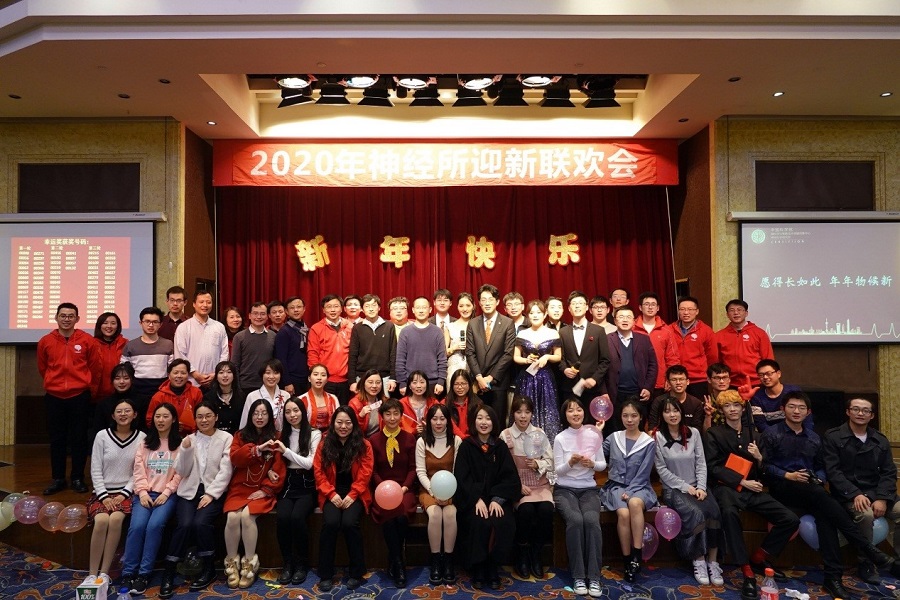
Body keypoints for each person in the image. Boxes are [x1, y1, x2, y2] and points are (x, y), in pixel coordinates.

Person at [759, 391, 893, 599]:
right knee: (823, 498)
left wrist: (820, 478)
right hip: (782, 488)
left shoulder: (814, 437)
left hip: (811, 491)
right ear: (783, 409)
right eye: (792, 407)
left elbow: (822, 467)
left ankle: (833, 578)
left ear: (808, 412)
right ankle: (867, 548)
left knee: (826, 517)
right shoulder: (771, 434)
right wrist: (788, 475)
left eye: (801, 408)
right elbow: (763, 466)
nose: (796, 411)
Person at [704, 389, 799, 600]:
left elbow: (765, 470)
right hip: (726, 489)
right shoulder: (714, 434)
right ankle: (746, 569)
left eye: (736, 405)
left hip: (753, 489)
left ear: (742, 408)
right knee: (729, 514)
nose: (732, 409)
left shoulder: (755, 435)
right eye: (727, 406)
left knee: (790, 519)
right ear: (722, 410)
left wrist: (759, 458)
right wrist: (741, 481)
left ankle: (759, 557)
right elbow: (713, 466)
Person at [159, 401, 234, 598]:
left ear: (216, 417)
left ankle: (208, 568)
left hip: (213, 491)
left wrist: (211, 494)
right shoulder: (189, 439)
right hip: (188, 491)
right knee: (184, 524)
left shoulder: (226, 438)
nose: (204, 420)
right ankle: (169, 570)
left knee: (201, 523)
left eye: (208, 416)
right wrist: (185, 451)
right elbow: (182, 471)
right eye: (200, 417)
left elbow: (226, 471)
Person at [824, 397, 900, 584]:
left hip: (877, 492)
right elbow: (833, 472)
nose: (860, 413)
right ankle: (866, 561)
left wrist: (882, 498)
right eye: (856, 409)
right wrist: (855, 494)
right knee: (865, 515)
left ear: (871, 415)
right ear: (848, 412)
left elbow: (889, 472)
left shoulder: (880, 439)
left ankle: (897, 562)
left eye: (865, 410)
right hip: (848, 494)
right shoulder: (833, 437)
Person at [652, 396, 723, 586]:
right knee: (696, 513)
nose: (672, 415)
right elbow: (662, 470)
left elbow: (701, 462)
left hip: (697, 486)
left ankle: (713, 562)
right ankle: (698, 560)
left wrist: (701, 487)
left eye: (675, 410)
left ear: (681, 412)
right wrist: (686, 487)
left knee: (714, 511)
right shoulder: (657, 437)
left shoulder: (694, 433)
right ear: (662, 415)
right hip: (674, 489)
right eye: (667, 411)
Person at [454, 405, 522, 590]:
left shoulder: (500, 446)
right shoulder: (466, 446)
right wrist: (476, 499)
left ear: (494, 422)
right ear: (473, 421)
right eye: (480, 418)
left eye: (488, 418)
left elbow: (511, 478)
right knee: (479, 521)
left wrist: (497, 499)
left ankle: (493, 566)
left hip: (496, 499)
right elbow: (461, 477)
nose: (484, 422)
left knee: (503, 521)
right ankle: (478, 566)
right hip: (473, 500)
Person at [38, 302, 101, 495]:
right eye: (63, 316)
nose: (66, 319)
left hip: (79, 396)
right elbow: (43, 368)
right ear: (56, 318)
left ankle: (77, 478)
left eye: (70, 316)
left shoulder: (87, 340)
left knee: (79, 439)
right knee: (57, 439)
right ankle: (58, 478)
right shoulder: (46, 341)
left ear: (77, 319)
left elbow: (95, 368)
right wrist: (54, 383)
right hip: (54, 397)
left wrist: (88, 390)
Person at [223, 398, 285, 589]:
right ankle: (232, 562)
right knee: (232, 517)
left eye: (264, 413)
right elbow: (235, 458)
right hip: (240, 487)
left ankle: (250, 563)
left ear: (270, 416)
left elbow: (279, 468)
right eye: (256, 413)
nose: (259, 417)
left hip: (262, 489)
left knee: (247, 516)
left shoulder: (276, 437)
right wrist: (257, 450)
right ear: (250, 415)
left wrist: (265, 489)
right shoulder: (240, 435)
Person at [121, 402, 182, 595]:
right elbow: (138, 471)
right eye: (157, 416)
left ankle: (144, 574)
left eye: (165, 416)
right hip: (145, 493)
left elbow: (180, 474)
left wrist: (166, 493)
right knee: (137, 527)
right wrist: (143, 492)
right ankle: (128, 572)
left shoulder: (180, 444)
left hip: (167, 495)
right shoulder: (145, 443)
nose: (161, 420)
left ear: (173, 419)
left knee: (154, 526)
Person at [313, 406, 375, 592]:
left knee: (349, 523)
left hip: (356, 492)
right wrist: (331, 494)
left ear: (354, 424)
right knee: (331, 523)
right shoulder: (324, 444)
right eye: (339, 422)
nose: (343, 426)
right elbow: (318, 472)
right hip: (331, 492)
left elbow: (365, 473)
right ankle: (325, 574)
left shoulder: (364, 445)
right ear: (333, 424)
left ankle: (357, 572)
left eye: (348, 423)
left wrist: (352, 494)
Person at [84, 399, 145, 588]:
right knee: (101, 521)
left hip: (126, 493)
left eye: (127, 411)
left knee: (116, 519)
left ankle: (104, 572)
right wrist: (103, 496)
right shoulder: (102, 436)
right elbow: (95, 468)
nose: (123, 414)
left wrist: (123, 494)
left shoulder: (142, 437)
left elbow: (139, 471)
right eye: (119, 411)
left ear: (135, 414)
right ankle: (91, 574)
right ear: (113, 415)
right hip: (102, 492)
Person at [553, 398, 607, 598]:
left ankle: (594, 576)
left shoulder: (594, 434)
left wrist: (592, 464)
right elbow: (557, 471)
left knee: (592, 521)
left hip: (588, 489)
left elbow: (602, 464)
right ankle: (578, 576)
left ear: (584, 412)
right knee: (575, 520)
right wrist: (571, 462)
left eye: (578, 409)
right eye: (570, 410)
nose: (575, 413)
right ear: (565, 414)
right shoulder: (560, 438)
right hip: (564, 489)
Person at [601, 398, 658, 583]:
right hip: (616, 486)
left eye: (634, 415)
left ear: (641, 417)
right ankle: (627, 561)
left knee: (634, 503)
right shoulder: (614, 438)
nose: (629, 419)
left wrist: (632, 490)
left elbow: (644, 472)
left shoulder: (648, 442)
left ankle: (636, 555)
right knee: (623, 514)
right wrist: (597, 433)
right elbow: (598, 454)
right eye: (625, 415)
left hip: (640, 486)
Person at [501, 396, 555, 580]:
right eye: (519, 412)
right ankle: (522, 553)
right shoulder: (506, 435)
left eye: (527, 412)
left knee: (547, 510)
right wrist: (517, 486)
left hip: (540, 484)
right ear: (513, 414)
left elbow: (551, 462)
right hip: (519, 487)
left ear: (532, 414)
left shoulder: (539, 433)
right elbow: (502, 468)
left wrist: (538, 464)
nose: (523, 416)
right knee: (526, 510)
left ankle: (536, 553)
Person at [273, 396, 322, 585]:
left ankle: (302, 563)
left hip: (307, 483)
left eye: (296, 410)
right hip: (287, 482)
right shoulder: (282, 434)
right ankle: (288, 563)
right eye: (288, 412)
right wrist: (270, 471)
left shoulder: (314, 433)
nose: (292, 415)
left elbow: (310, 464)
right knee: (283, 518)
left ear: (303, 412)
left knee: (297, 517)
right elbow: (274, 460)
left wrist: (286, 451)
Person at [369, 399, 418, 587]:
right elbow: (373, 471)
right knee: (389, 516)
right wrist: (383, 488)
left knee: (401, 516)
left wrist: (403, 488)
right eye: (388, 414)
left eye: (396, 413)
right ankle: (399, 562)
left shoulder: (409, 438)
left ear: (401, 416)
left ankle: (394, 559)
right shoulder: (374, 440)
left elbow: (412, 469)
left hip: (404, 488)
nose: (392, 418)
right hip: (382, 490)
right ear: (382, 416)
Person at [416, 403, 462, 584]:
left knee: (450, 514)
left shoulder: (456, 441)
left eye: (442, 418)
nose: (438, 422)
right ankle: (435, 559)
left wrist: (448, 492)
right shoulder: (422, 441)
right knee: (435, 514)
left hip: (452, 488)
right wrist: (434, 491)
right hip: (429, 489)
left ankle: (448, 560)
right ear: (429, 421)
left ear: (448, 421)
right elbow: (421, 472)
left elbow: (457, 471)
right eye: (434, 418)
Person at [465, 284, 516, 424]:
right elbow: (470, 352)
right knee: (477, 422)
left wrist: (491, 378)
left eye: (490, 299)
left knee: (497, 422)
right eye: (483, 300)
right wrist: (479, 377)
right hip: (477, 383)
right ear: (479, 303)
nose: (487, 303)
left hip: (498, 382)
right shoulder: (472, 324)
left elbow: (508, 354)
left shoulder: (507, 323)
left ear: (497, 301)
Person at [512, 299, 562, 441]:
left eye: (538, 312)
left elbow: (558, 356)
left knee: (548, 409)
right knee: (525, 407)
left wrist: (547, 356)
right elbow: (516, 357)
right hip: (527, 377)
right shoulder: (522, 333)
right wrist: (526, 360)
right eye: (532, 313)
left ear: (545, 314)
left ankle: (549, 444)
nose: (535, 315)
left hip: (546, 378)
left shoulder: (553, 333)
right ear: (528, 315)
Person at [602, 306, 658, 431]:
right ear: (615, 321)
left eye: (628, 317)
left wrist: (648, 387)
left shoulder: (644, 339)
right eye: (621, 317)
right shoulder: (606, 339)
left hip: (638, 392)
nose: (625, 320)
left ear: (634, 321)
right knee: (616, 428)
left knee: (638, 427)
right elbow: (600, 367)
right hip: (614, 394)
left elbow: (653, 365)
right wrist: (604, 392)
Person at [121, 306, 173, 429]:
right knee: (138, 425)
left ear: (160, 324)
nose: (151, 325)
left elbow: (172, 370)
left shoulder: (168, 344)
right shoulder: (131, 345)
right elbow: (124, 370)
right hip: (137, 391)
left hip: (161, 390)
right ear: (141, 323)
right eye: (147, 321)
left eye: (155, 322)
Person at [558, 291, 611, 412]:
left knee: (591, 420)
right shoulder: (563, 332)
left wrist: (595, 379)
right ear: (569, 308)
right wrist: (564, 369)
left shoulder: (598, 331)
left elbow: (605, 360)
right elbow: (560, 358)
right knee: (571, 418)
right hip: (570, 387)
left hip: (592, 387)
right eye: (574, 303)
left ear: (587, 307)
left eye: (580, 303)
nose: (577, 306)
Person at [174, 290, 229, 388]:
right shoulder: (184, 327)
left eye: (208, 302)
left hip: (215, 381)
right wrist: (195, 374)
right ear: (194, 304)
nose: (205, 305)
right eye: (201, 302)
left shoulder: (219, 327)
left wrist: (216, 373)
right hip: (191, 382)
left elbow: (224, 353)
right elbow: (180, 354)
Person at [714, 299, 774, 388]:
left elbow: (768, 359)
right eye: (732, 310)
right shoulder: (719, 336)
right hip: (730, 383)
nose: (736, 313)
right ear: (727, 314)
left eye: (739, 310)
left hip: (756, 382)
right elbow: (716, 362)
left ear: (746, 313)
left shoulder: (759, 333)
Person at [396, 296, 447, 397]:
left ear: (430, 309)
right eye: (418, 307)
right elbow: (400, 359)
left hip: (433, 382)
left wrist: (441, 381)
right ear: (413, 310)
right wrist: (402, 382)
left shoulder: (437, 332)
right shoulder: (405, 332)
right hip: (411, 382)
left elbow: (442, 359)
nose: (421, 310)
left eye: (424, 307)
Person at [307, 294, 354, 405]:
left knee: (344, 411)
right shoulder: (316, 328)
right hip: (325, 380)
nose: (333, 310)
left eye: (336, 306)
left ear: (342, 308)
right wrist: (318, 377)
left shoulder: (350, 327)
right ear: (323, 310)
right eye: (329, 307)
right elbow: (312, 354)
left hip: (346, 381)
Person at [348, 294, 397, 396]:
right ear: (362, 309)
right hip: (362, 376)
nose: (371, 309)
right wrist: (352, 381)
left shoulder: (389, 326)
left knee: (384, 405)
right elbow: (353, 355)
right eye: (367, 306)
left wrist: (393, 378)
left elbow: (393, 353)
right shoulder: (357, 328)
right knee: (363, 404)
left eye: (374, 305)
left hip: (385, 377)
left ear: (379, 308)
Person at [668, 296, 717, 400]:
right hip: (676, 379)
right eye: (682, 309)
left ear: (697, 311)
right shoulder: (669, 330)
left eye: (690, 309)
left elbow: (712, 356)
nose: (686, 312)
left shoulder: (706, 331)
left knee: (699, 407)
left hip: (698, 379)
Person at [633, 292, 680, 395]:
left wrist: (670, 378)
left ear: (658, 308)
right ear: (640, 307)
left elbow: (672, 358)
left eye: (653, 304)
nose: (650, 307)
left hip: (660, 382)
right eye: (647, 304)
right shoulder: (632, 328)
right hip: (636, 381)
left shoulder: (666, 330)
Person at [146, 358, 203, 435]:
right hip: (166, 436)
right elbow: (150, 421)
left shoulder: (196, 393)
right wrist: (171, 427)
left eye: (183, 373)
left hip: (193, 436)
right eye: (175, 373)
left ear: (188, 375)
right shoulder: (158, 397)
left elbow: (202, 416)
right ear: (169, 375)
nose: (179, 376)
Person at [230, 302, 276, 396]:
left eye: (262, 314)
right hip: (245, 386)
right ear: (249, 316)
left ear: (267, 316)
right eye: (255, 313)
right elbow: (235, 365)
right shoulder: (239, 337)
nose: (259, 317)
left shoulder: (273, 336)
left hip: (268, 385)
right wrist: (237, 387)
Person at [648, 365, 709, 432]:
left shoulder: (696, 403)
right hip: (663, 437)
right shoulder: (659, 401)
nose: (678, 383)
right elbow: (652, 427)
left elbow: (697, 430)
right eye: (674, 380)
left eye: (681, 379)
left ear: (687, 381)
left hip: (689, 437)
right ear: (668, 383)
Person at [750, 359, 806, 432]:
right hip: (770, 436)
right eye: (761, 375)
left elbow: (806, 417)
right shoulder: (756, 396)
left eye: (769, 373)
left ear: (778, 374)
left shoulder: (793, 391)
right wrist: (778, 436)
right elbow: (761, 425)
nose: (765, 377)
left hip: (796, 433)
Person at [239, 358, 288, 432]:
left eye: (276, 373)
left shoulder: (286, 395)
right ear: (262, 374)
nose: (271, 377)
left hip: (281, 436)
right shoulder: (252, 396)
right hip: (257, 436)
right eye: (268, 373)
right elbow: (245, 422)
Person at [274, 296, 310, 396]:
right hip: (292, 380)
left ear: (304, 309)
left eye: (299, 307)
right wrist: (287, 382)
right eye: (292, 308)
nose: (296, 310)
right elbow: (281, 359)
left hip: (306, 378)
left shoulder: (306, 329)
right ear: (286, 311)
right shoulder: (284, 332)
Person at [202, 360, 247, 434]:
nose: (225, 375)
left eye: (229, 372)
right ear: (216, 377)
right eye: (221, 372)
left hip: (236, 436)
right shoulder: (208, 397)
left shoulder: (242, 397)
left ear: (234, 376)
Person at [93, 362, 135, 437]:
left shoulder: (143, 401)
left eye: (126, 378)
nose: (121, 382)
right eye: (117, 378)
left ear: (132, 380)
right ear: (112, 381)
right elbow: (98, 431)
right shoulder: (103, 404)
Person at [93, 311, 127, 403]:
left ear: (118, 326)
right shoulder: (91, 344)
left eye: (113, 323)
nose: (109, 326)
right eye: (105, 323)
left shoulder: (126, 344)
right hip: (96, 395)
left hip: (121, 394)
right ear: (99, 325)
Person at [443, 292, 473, 389]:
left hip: (473, 369)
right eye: (461, 306)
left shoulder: (478, 325)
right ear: (457, 307)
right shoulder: (450, 326)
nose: (465, 309)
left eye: (468, 305)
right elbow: (443, 353)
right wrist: (454, 348)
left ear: (473, 306)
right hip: (454, 368)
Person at [349, 368, 389, 437]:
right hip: (361, 439)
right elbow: (351, 430)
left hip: (380, 438)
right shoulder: (354, 403)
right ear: (363, 383)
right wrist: (360, 416)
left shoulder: (385, 401)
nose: (374, 386)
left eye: (378, 382)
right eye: (370, 382)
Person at [299, 363, 339, 432]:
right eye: (315, 374)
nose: (319, 378)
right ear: (309, 378)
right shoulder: (302, 399)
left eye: (323, 375)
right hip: (308, 434)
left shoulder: (333, 398)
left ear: (327, 380)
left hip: (330, 434)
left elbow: (338, 419)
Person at [399, 370, 438, 436]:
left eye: (422, 382)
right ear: (409, 386)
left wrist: (429, 427)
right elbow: (397, 426)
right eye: (414, 383)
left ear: (427, 384)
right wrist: (413, 430)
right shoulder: (401, 404)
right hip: (408, 438)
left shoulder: (434, 402)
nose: (418, 386)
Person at [446, 368, 477, 437]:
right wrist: (463, 438)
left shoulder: (477, 403)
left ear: (469, 384)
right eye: (456, 384)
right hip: (452, 438)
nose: (460, 387)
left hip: (472, 439)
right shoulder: (445, 403)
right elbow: (450, 425)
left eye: (463, 383)